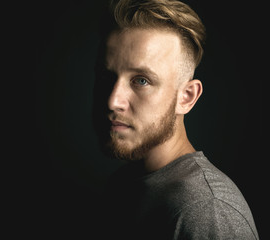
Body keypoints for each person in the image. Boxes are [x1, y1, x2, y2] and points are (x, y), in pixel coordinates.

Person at [92, 0, 259, 239]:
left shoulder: (207, 209)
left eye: (141, 80)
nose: (112, 101)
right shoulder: (123, 184)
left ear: (186, 97)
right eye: (106, 76)